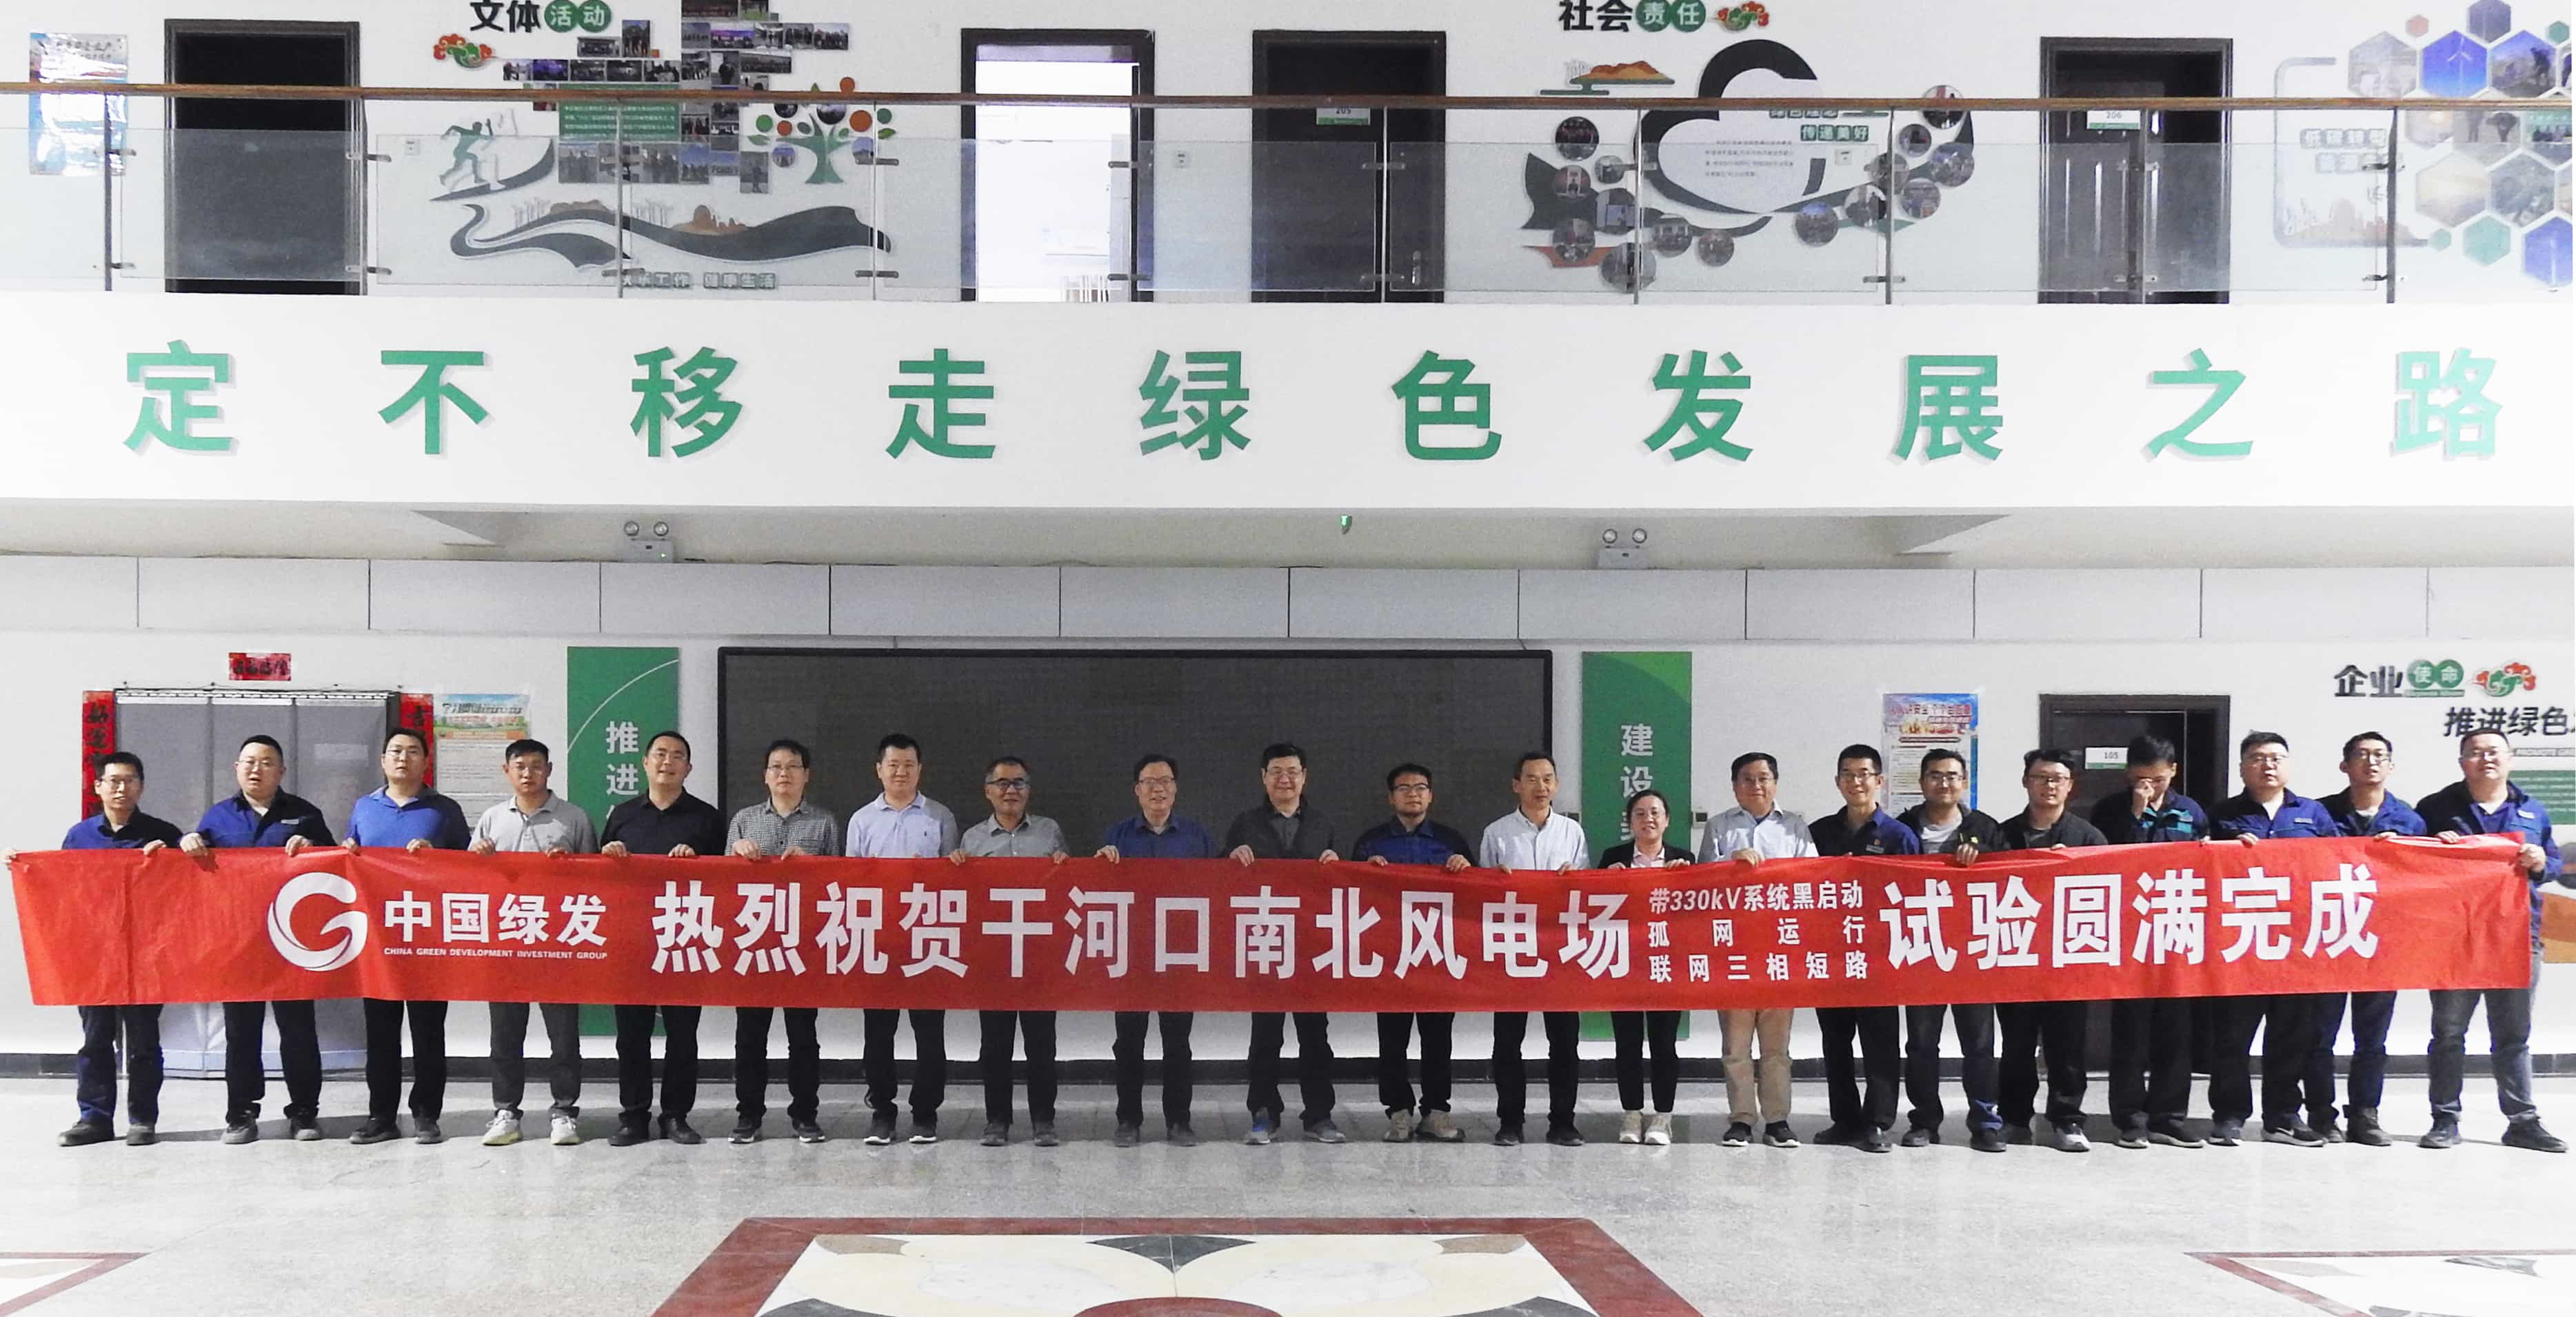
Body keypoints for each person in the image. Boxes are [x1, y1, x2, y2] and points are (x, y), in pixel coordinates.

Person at [181, 735, 337, 1145]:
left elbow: (337, 864)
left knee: (298, 1030)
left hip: (291, 942)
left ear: (281, 771)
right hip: (239, 943)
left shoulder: (305, 814)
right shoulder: (218, 817)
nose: (256, 769)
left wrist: (313, 847)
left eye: (267, 762)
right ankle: (241, 1113)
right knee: (241, 1033)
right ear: (236, 768)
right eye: (249, 761)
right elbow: (194, 873)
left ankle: (304, 1112)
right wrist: (187, 843)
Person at [2416, 729, 2565, 1154]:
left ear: (2510, 759)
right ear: (2462, 762)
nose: (2486, 759)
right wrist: (2433, 848)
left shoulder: (2532, 809)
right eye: (2475, 753)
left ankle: (2522, 1121)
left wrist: (2542, 861)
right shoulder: (2436, 808)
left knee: (2513, 1035)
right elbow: (2409, 861)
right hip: (2455, 938)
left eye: (2494, 752)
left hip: (2516, 937)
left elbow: (2554, 862)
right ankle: (2445, 1118)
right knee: (2448, 1033)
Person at [34, 753, 181, 1147]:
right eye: (113, 781)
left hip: (145, 955)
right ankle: (94, 1119)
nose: (121, 788)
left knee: (144, 1042)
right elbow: (62, 891)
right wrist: (26, 869)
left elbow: (186, 890)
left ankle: (143, 1119)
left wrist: (174, 858)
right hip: (95, 956)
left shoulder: (162, 834)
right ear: (98, 787)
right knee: (96, 1039)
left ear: (141, 787)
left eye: (130, 780)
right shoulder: (79, 837)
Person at [2208, 732, 2341, 1149]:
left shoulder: (2314, 814)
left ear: (2289, 765)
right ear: (2242, 768)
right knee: (2232, 1037)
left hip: (2296, 945)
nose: (2268, 765)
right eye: (2258, 758)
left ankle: (2282, 1117)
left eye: (2276, 757)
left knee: (2291, 1037)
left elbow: (2338, 865)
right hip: (2241, 941)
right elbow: (2202, 867)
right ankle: (2229, 1116)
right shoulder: (2223, 814)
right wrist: (2225, 850)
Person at [468, 738, 598, 1149]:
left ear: (550, 770)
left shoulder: (574, 818)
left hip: (558, 944)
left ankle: (565, 1112)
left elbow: (598, 882)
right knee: (505, 1036)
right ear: (507, 772)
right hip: (507, 943)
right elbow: (468, 881)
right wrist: (478, 857)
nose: (528, 774)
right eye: (520, 766)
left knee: (563, 1037)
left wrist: (571, 867)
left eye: (536, 766)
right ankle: (506, 1111)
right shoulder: (491, 819)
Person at [345, 728, 472, 1146]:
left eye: (413, 752)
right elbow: (350, 857)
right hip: (378, 940)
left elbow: (470, 870)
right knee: (380, 1034)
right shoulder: (365, 808)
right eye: (396, 752)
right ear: (383, 760)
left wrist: (438, 858)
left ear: (426, 762)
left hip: (428, 937)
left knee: (428, 1032)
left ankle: (426, 1115)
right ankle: (381, 1115)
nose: (403, 758)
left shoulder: (445, 810)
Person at [598, 730, 725, 1147]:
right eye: (660, 754)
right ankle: (633, 1116)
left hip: (685, 938)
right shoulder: (622, 816)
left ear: (689, 767)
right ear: (645, 763)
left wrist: (697, 862)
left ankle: (676, 1115)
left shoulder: (707, 818)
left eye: (677, 756)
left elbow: (727, 883)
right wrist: (609, 855)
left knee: (682, 1035)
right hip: (632, 941)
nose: (667, 762)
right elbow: (599, 879)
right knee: (631, 1036)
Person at [2089, 735, 2211, 1152]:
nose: (2149, 787)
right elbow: (2105, 860)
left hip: (2177, 930)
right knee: (2131, 1033)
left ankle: (2169, 1118)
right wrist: (2136, 813)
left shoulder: (2191, 811)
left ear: (2173, 771)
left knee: (2176, 1032)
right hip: (2130, 934)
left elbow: (2210, 863)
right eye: (2140, 779)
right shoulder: (2109, 810)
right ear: (2129, 774)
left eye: (2157, 780)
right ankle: (2130, 1119)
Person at [1095, 753, 1220, 1147]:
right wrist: (1099, 864)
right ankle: (1128, 1120)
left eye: (1165, 781)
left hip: (1179, 955)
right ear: (1137, 790)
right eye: (1149, 782)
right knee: (1128, 1043)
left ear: (1176, 788)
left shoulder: (1197, 837)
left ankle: (1179, 1121)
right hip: (1131, 955)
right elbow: (1097, 889)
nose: (1158, 789)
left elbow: (1221, 888)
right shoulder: (1117, 835)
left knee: (1177, 1043)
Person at [1222, 742, 1344, 1145]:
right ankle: (1263, 1113)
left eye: (1292, 771)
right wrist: (1231, 856)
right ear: (1263, 778)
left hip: (1312, 946)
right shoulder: (1245, 823)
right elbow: (1219, 879)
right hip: (1266, 942)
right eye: (1276, 771)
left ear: (1304, 777)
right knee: (1265, 1035)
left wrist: (1337, 864)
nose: (1285, 779)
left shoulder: (1323, 824)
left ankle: (1319, 1116)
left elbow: (1344, 883)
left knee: (1315, 1036)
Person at [947, 755, 1069, 1148]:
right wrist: (955, 868)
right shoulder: (972, 840)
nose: (1011, 790)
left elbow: (1066, 888)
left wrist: (1065, 865)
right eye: (1002, 783)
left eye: (1019, 783)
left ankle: (1044, 1121)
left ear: (1028, 791)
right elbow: (963, 898)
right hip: (994, 957)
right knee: (995, 1046)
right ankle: (996, 1121)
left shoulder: (1049, 832)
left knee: (1041, 1045)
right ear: (988, 791)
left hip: (1038, 956)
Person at [1351, 763, 1475, 1144]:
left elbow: (1476, 897)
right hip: (1391, 957)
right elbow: (1350, 895)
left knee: (1438, 1041)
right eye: (1404, 788)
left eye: (1420, 787)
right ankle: (1398, 1113)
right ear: (1391, 798)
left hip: (1438, 956)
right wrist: (1364, 872)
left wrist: (1467, 869)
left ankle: (1436, 1113)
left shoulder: (1451, 841)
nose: (1413, 794)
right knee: (1392, 1042)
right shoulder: (1371, 843)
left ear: (1431, 795)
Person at [847, 732, 960, 1146]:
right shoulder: (861, 820)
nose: (901, 772)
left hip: (927, 938)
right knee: (878, 1034)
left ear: (920, 770)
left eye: (909, 764)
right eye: (893, 764)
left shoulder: (940, 817)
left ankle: (926, 1113)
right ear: (879, 770)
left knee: (929, 1033)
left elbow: (955, 880)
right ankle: (882, 1111)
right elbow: (851, 883)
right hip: (878, 939)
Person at [725, 737, 841, 1145]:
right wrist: (735, 852)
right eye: (776, 767)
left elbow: (841, 885)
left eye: (793, 767)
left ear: (806, 775)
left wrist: (815, 867)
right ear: (765, 776)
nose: (784, 774)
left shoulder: (824, 823)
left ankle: (805, 1116)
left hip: (802, 945)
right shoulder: (743, 820)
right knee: (749, 1037)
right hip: (754, 943)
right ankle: (748, 1116)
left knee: (803, 1037)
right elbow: (722, 885)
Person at [1893, 748, 2008, 1152]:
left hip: (1973, 952)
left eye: (1952, 776)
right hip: (1921, 949)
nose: (1944, 783)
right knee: (1922, 1045)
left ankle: (1985, 1122)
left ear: (1964, 783)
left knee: (1979, 1044)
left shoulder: (1986, 828)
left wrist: (1983, 860)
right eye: (1935, 776)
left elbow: (2011, 879)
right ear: (1922, 782)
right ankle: (1924, 1121)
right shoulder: (1902, 829)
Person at [1807, 745, 1920, 1154]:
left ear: (1879, 781)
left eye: (1864, 774)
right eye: (1848, 775)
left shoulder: (1899, 836)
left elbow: (1914, 894)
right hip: (1831, 955)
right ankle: (1845, 1120)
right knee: (1835, 1043)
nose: (1856, 782)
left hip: (1879, 958)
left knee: (1880, 1044)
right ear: (1838, 782)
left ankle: (1878, 1123)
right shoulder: (1818, 833)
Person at [1700, 751, 1814, 1150]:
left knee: (1776, 1047)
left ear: (1775, 783)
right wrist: (1729, 864)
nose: (1756, 786)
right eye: (1747, 779)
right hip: (1733, 949)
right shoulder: (1719, 827)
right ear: (1735, 786)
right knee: (1735, 1046)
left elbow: (1813, 879)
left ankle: (1778, 1120)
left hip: (1780, 949)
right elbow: (1701, 881)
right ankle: (1741, 1119)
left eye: (1764, 778)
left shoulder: (1795, 827)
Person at [2313, 731, 2423, 1148]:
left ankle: (2365, 1114)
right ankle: (2321, 1115)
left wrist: (2409, 850)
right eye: (2361, 755)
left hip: (2381, 941)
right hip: (2328, 936)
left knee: (2372, 1039)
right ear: (2345, 766)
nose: (2371, 762)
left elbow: (2426, 880)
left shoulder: (2409, 820)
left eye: (2379, 755)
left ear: (2391, 766)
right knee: (2319, 1036)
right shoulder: (2319, 814)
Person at [1993, 748, 2106, 1154]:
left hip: (2068, 959)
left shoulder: (2088, 838)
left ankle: (2067, 1119)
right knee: (2016, 1045)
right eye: (2041, 778)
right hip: (2017, 956)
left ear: (2070, 786)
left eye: (2057, 778)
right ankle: (2014, 1119)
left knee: (2067, 1046)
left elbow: (2108, 890)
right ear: (2026, 782)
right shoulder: (2001, 836)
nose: (2049, 785)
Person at [1478, 752, 1589, 1148]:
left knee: (1565, 1042)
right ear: (1516, 785)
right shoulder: (1497, 833)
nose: (1540, 786)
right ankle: (1510, 1121)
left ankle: (1563, 1122)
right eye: (1531, 779)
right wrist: (1495, 881)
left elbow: (1585, 892)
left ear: (1556, 785)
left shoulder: (1572, 833)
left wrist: (1573, 879)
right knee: (1508, 1042)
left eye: (1547, 779)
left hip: (1561, 951)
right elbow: (1480, 895)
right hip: (1514, 949)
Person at [1600, 787, 1691, 1147]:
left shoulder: (1684, 860)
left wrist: (1687, 878)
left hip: (1667, 964)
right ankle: (1632, 1113)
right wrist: (1606, 879)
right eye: (1639, 813)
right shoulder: (1613, 858)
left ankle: (1663, 1116)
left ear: (1667, 821)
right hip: (1626, 963)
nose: (1648, 819)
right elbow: (1594, 907)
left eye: (1655, 813)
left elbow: (1697, 910)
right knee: (1627, 1042)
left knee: (1664, 1043)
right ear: (1630, 822)